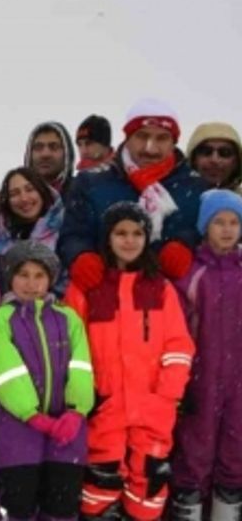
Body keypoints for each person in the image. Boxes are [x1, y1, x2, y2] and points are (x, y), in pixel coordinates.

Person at [63, 203, 194, 521]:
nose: (129, 240)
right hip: (105, 405)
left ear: (147, 238)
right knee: (101, 477)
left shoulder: (160, 287)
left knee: (149, 479)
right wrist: (85, 394)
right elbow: (70, 347)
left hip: (153, 406)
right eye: (121, 233)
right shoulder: (86, 287)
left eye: (137, 233)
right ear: (107, 238)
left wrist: (167, 394)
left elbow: (178, 345)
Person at [0, 242, 93, 521]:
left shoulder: (68, 318)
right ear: (11, 278)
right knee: (18, 499)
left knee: (62, 499)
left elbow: (81, 366)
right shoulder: (0, 319)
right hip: (18, 426)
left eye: (39, 275)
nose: (31, 284)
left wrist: (76, 411)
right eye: (23, 275)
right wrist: (30, 414)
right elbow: (4, 370)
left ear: (50, 279)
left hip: (67, 426)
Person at [59, 99, 210, 291]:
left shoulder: (195, 185)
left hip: (173, 298)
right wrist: (80, 256)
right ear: (127, 137)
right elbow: (72, 234)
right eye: (142, 136)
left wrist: (185, 242)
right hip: (107, 294)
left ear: (174, 142)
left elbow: (211, 232)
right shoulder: (90, 182)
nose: (150, 148)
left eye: (162, 138)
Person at [169, 190, 242, 521]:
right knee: (194, 451)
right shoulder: (192, 274)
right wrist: (182, 381)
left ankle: (227, 510)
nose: (227, 230)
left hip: (238, 382)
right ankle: (188, 508)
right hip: (202, 379)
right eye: (218, 222)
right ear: (204, 227)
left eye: (234, 223)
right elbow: (177, 331)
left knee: (235, 451)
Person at [0, 167, 65, 259]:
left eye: (29, 189)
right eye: (14, 193)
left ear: (41, 191)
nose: (24, 198)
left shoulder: (65, 229)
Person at [186, 123, 241, 192]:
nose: (214, 160)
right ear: (194, 159)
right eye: (206, 151)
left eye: (225, 153)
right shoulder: (174, 197)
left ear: (236, 162)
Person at [26, 122, 77, 195]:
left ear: (67, 153)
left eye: (54, 147)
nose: (45, 154)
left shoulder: (84, 193)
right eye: (38, 147)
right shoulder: (17, 197)